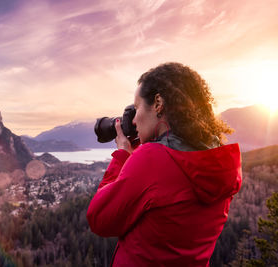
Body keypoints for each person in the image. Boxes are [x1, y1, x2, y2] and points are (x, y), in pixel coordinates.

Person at [86, 62, 242, 266]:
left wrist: (123, 156)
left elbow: (99, 219)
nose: (133, 121)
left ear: (158, 103)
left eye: (137, 107)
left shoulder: (152, 159)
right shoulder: (220, 161)